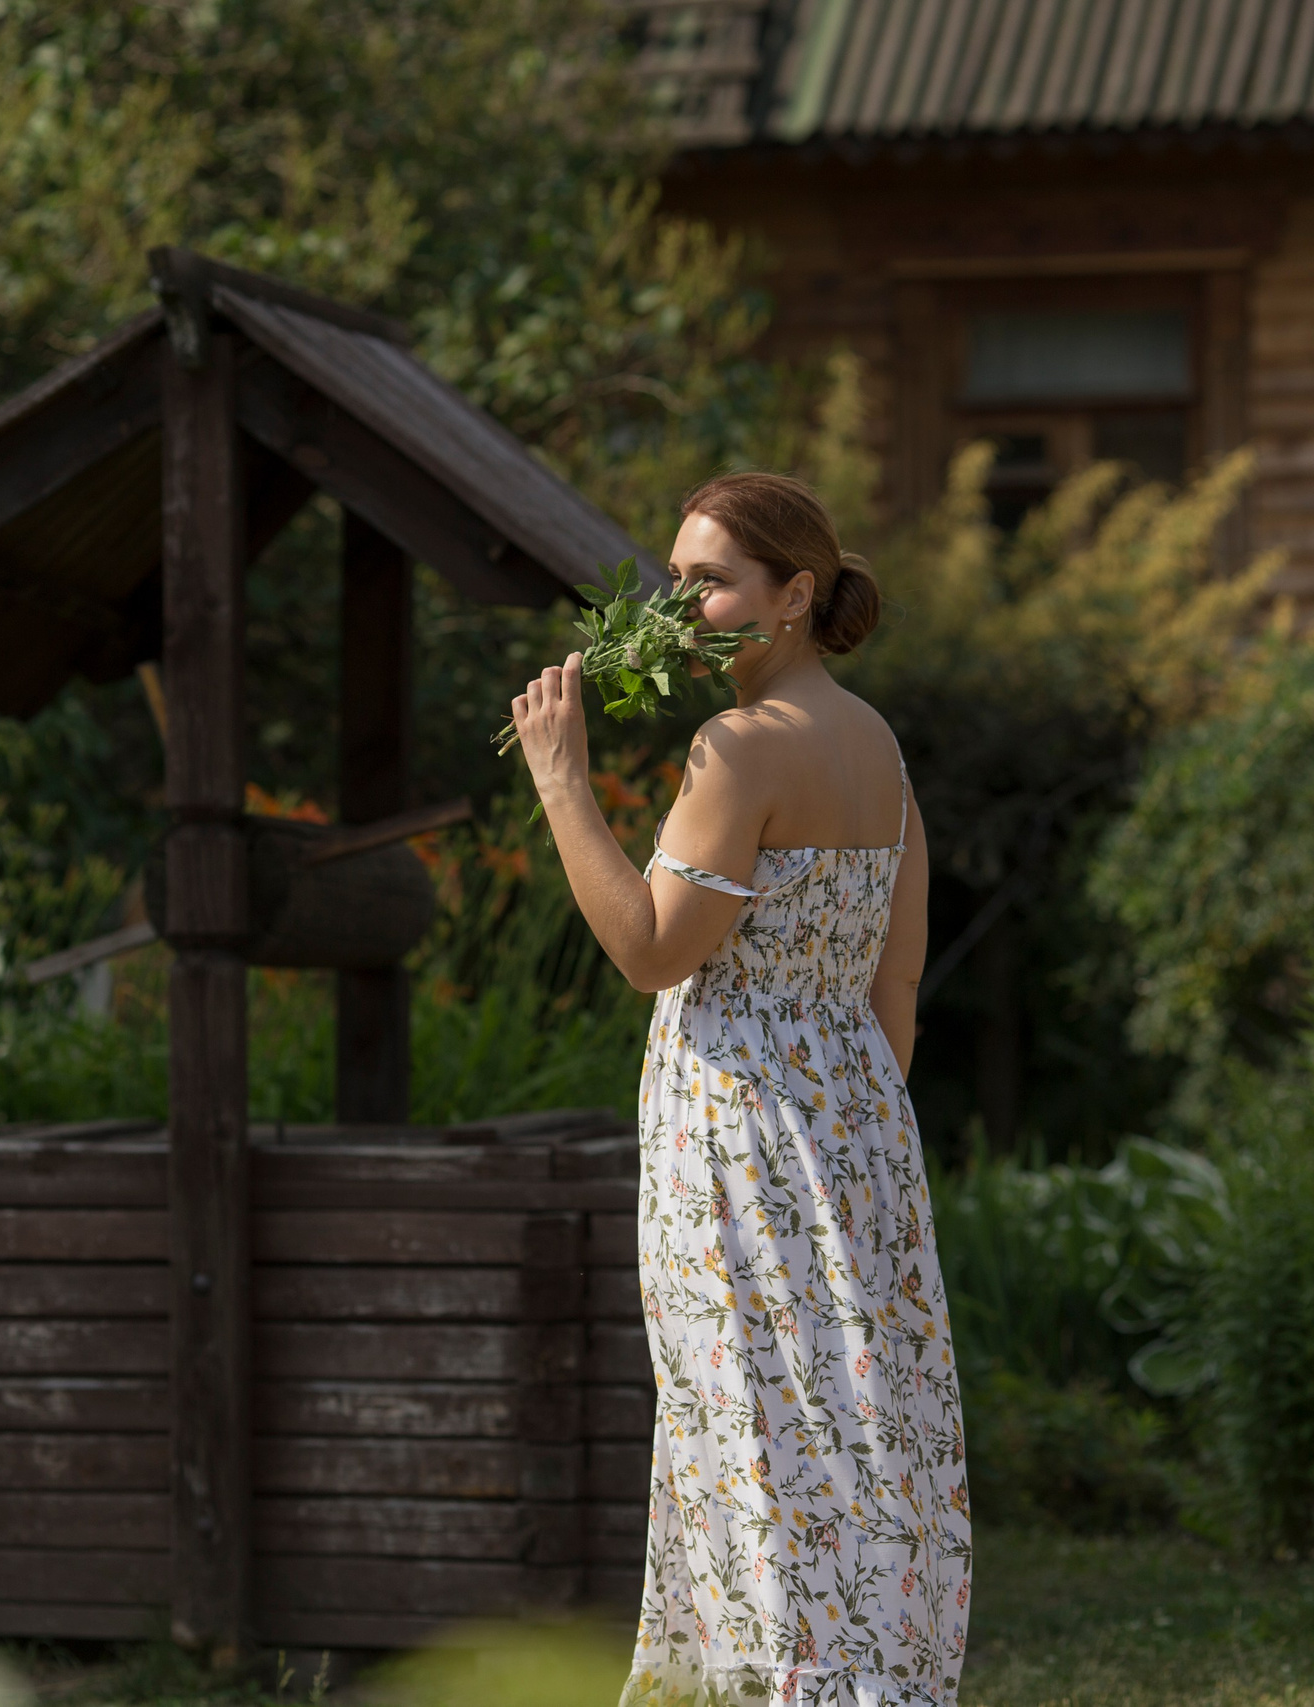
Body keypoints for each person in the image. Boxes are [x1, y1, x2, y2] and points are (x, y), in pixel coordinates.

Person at [506, 472, 968, 1707]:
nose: (681, 609)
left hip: (741, 1140)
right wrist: (849, 1134)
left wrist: (561, 781)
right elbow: (896, 979)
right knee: (846, 1443)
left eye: (709, 582)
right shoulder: (875, 741)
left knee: (754, 1446)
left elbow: (652, 950)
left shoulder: (740, 745)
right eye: (676, 581)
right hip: (857, 1136)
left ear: (795, 593)